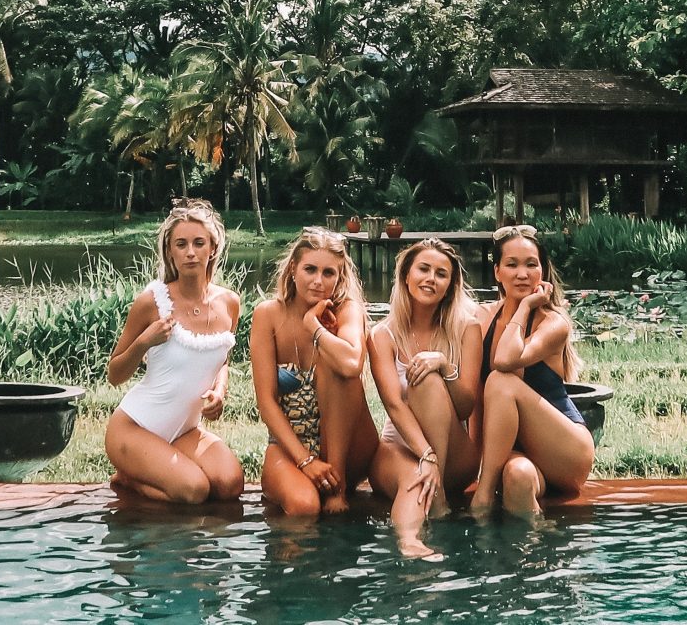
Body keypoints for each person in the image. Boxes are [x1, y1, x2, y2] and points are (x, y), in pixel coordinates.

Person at [104, 199, 244, 504]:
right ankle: (130, 479)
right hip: (134, 428)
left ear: (213, 248)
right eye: (181, 244)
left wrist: (220, 389)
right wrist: (144, 342)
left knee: (231, 484)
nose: (190, 252)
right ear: (170, 250)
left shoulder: (230, 303)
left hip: (185, 430)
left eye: (198, 243)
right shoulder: (152, 301)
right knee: (194, 491)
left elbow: (222, 356)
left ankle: (155, 472)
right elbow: (114, 374)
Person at [251, 227, 378, 515]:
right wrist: (305, 460)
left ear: (339, 277)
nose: (318, 281)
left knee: (335, 363)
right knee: (303, 506)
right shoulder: (268, 315)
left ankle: (339, 484)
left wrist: (314, 326)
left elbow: (351, 364)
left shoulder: (348, 310)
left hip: (349, 448)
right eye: (310, 269)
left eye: (329, 273)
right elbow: (266, 402)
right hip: (291, 445)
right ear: (294, 268)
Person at [470, 223, 594, 518]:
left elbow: (506, 360)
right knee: (518, 477)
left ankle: (483, 498)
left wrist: (524, 307)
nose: (522, 274)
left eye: (531, 265)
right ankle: (535, 551)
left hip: (565, 450)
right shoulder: (481, 317)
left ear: (543, 272)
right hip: (516, 452)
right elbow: (474, 392)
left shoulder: (553, 323)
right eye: (511, 265)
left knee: (501, 381)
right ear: (497, 272)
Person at [368, 239, 482, 558]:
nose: (431, 278)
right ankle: (410, 541)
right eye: (424, 269)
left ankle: (440, 496)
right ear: (406, 275)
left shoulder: (467, 329)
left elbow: (465, 406)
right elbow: (393, 403)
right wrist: (426, 457)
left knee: (428, 377)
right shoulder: (382, 335)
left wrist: (445, 367)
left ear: (450, 285)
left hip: (455, 455)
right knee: (416, 476)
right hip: (400, 447)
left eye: (441, 273)